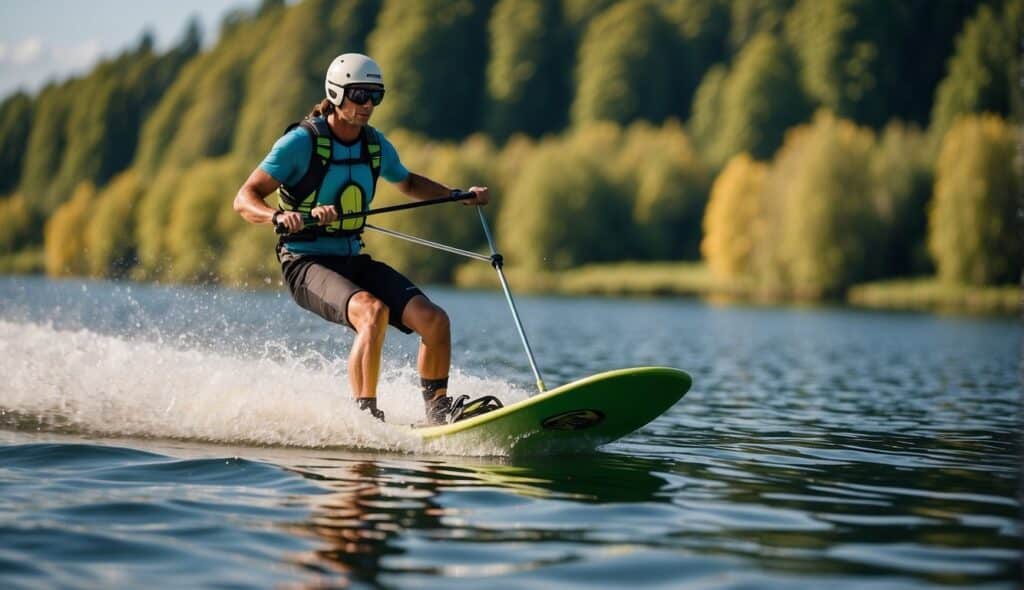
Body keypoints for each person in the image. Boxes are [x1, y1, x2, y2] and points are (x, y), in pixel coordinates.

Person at [233, 53, 489, 424]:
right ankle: (366, 418)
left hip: (352, 258)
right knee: (373, 312)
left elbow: (410, 182)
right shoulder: (299, 144)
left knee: (434, 320)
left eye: (375, 96)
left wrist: (457, 194)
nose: (368, 105)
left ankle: (438, 414)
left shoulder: (375, 145)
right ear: (336, 94)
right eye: (359, 95)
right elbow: (244, 198)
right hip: (305, 261)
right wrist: (278, 215)